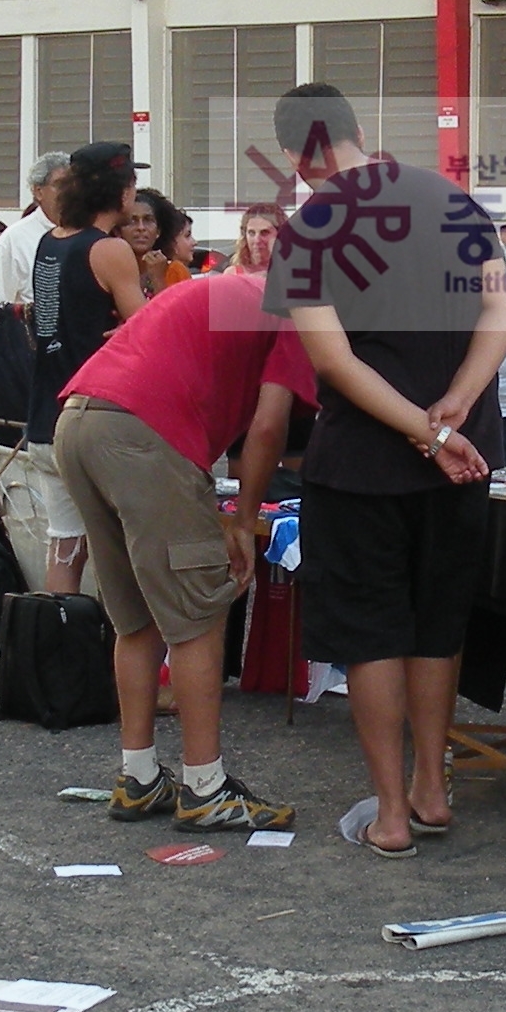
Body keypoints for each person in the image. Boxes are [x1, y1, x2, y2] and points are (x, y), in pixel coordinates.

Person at [262, 81, 506, 859]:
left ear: (296, 156)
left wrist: (424, 430)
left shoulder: (306, 230)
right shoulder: (449, 199)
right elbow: (503, 310)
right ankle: (432, 790)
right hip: (462, 460)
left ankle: (391, 813)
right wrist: (457, 409)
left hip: (367, 463)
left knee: (373, 638)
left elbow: (333, 362)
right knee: (438, 627)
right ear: (356, 132)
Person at [53, 261, 319, 830]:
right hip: (141, 429)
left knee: (137, 618)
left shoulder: (235, 289)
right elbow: (269, 426)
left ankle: (140, 776)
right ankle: (205, 788)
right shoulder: (298, 310)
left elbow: (203, 384)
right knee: (200, 613)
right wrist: (244, 521)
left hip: (80, 419)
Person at [19, 143, 148, 593]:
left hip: (45, 413)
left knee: (65, 543)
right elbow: (146, 327)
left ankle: (59, 643)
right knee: (119, 543)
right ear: (121, 190)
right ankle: (122, 649)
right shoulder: (110, 250)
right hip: (94, 416)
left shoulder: (48, 241)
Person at [0, 151, 70, 308]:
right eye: (61, 185)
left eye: (73, 184)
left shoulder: (89, 233)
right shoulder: (15, 239)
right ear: (38, 191)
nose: (69, 192)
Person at [124, 189, 193, 299]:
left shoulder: (176, 271)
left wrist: (158, 279)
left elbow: (179, 314)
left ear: (158, 231)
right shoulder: (111, 269)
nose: (141, 228)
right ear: (118, 230)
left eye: (148, 220)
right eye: (132, 221)